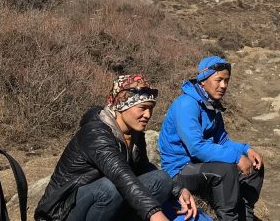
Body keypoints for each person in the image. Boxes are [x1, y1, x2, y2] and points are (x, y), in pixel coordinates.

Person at [34, 74, 197, 221]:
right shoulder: (96, 133)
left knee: (161, 179)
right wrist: (154, 213)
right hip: (62, 212)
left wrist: (177, 189)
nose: (148, 115)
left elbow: (143, 168)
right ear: (121, 105)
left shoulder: (134, 133)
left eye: (151, 108)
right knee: (109, 188)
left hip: (102, 204)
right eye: (142, 108)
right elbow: (121, 175)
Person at [158, 56, 264, 221]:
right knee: (225, 170)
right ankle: (229, 218)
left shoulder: (211, 104)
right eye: (218, 80)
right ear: (203, 80)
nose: (223, 85)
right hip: (179, 169)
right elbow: (196, 147)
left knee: (255, 163)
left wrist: (246, 149)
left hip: (199, 164)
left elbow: (222, 141)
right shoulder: (186, 104)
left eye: (226, 81)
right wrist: (236, 157)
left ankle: (245, 214)